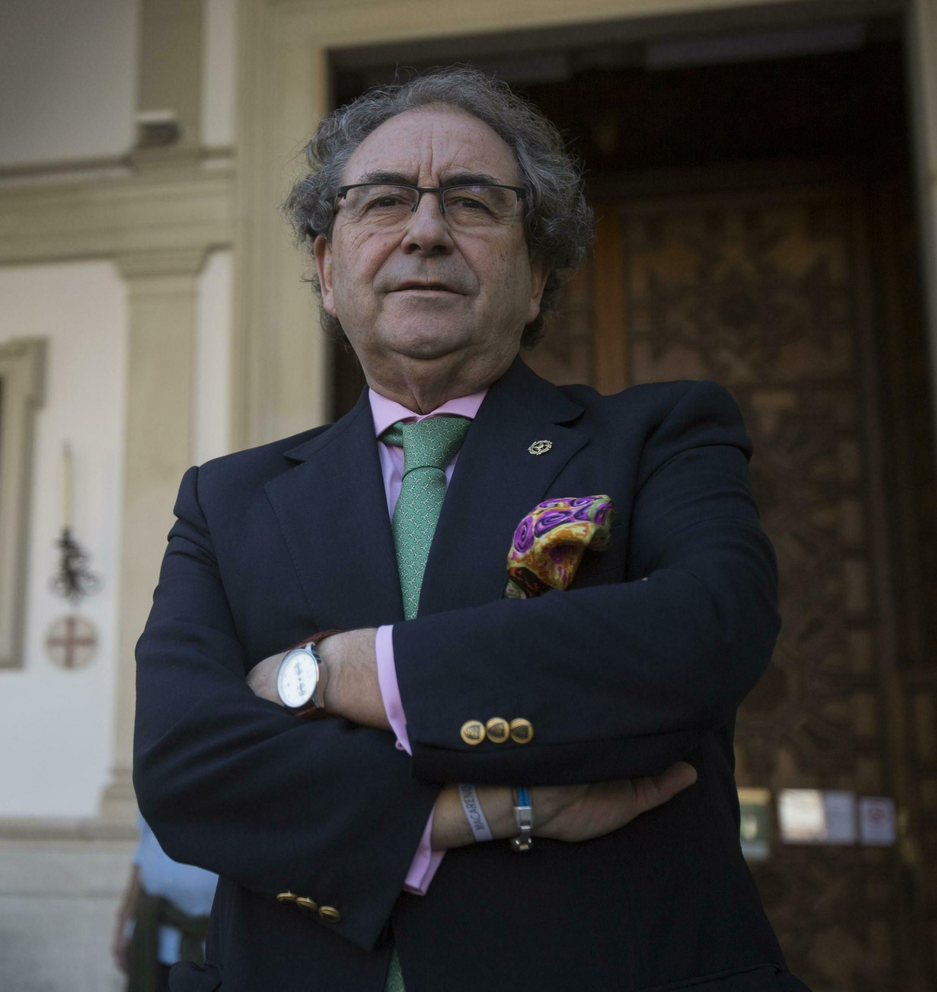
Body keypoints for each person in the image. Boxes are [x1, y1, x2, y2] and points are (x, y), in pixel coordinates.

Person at [132, 66, 807, 992]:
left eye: (472, 201)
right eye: (383, 200)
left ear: (536, 277)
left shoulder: (661, 437)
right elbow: (184, 765)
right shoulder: (226, 499)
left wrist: (343, 671)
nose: (424, 229)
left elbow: (703, 633)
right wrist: (480, 811)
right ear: (326, 270)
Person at [112, 812, 217, 992]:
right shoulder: (153, 795)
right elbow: (143, 852)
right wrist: (124, 920)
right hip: (156, 939)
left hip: (214, 945)